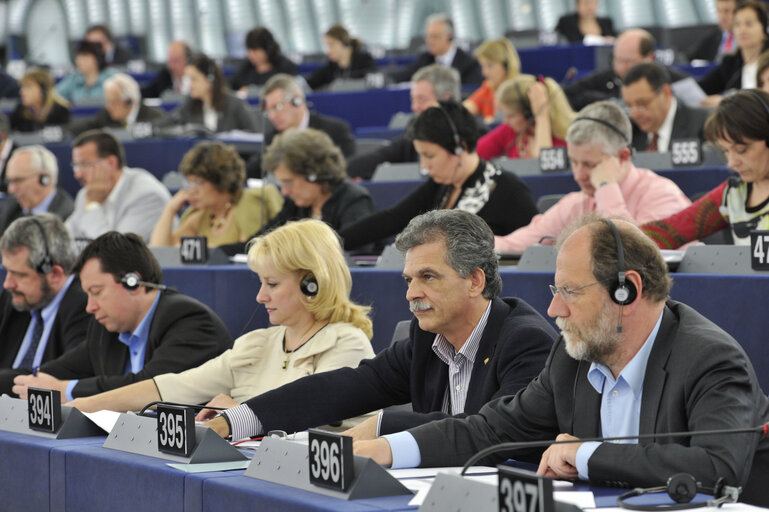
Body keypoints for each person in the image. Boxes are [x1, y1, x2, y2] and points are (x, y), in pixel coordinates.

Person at [354, 216, 769, 508]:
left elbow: (717, 469)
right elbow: (488, 430)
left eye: (569, 292)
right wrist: (383, 451)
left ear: (626, 291)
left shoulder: (709, 358)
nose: (554, 309)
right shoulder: (570, 358)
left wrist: (585, 453)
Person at [204, 209, 557, 441]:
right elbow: (350, 385)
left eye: (428, 277)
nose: (412, 294)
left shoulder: (525, 341)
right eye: (408, 280)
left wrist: (381, 428)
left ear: (475, 281)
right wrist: (237, 421)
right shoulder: (426, 338)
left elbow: (488, 430)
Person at [69, 220, 375, 422]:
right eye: (260, 283)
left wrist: (240, 415)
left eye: (272, 284)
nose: (260, 297)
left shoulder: (347, 343)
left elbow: (307, 414)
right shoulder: (257, 344)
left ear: (313, 283)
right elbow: (172, 387)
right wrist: (75, 409)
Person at [3, 231, 232, 399]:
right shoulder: (105, 329)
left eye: (97, 292)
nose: (89, 307)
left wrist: (66, 391)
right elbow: (52, 372)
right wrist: (31, 382)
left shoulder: (188, 320)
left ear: (133, 282)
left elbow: (149, 388)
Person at [340, 101, 538, 251]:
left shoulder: (509, 190)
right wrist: (330, 243)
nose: (424, 167)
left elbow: (535, 249)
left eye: (430, 156)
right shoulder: (441, 185)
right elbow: (391, 219)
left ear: (462, 147)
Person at [495, 101, 690, 252]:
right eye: (574, 162)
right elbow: (515, 244)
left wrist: (606, 186)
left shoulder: (663, 195)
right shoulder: (577, 203)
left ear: (623, 156)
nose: (579, 175)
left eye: (590, 165)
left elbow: (632, 253)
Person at [643, 89, 769, 248]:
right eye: (726, 151)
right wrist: (614, 238)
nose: (732, 162)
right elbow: (668, 232)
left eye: (741, 150)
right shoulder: (731, 195)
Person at [221, 128, 375, 255]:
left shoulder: (354, 200)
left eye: (288, 182)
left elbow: (352, 252)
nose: (285, 192)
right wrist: (213, 252)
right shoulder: (295, 206)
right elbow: (260, 242)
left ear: (314, 173)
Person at [150, 140, 283, 247]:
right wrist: (169, 210)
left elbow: (250, 251)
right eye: (189, 183)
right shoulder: (199, 215)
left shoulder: (248, 202)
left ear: (220, 180)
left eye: (198, 183)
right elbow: (161, 251)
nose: (191, 191)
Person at [0, 214, 88, 369]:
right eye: (7, 271)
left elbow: (63, 375)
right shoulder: (17, 298)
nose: (8, 284)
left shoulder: (84, 307)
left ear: (54, 274)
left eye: (20, 275)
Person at [347, 64, 461, 180]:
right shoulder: (416, 129)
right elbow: (382, 156)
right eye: (413, 99)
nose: (414, 107)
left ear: (447, 99)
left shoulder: (468, 136)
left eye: (422, 99)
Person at [65, 130, 171, 241]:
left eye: (84, 164)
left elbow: (117, 252)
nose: (77, 174)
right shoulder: (87, 193)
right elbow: (66, 237)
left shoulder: (147, 195)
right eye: (76, 165)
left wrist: (93, 206)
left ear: (111, 163)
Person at [247, 73, 355, 178]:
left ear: (297, 100)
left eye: (277, 107)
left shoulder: (335, 131)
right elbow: (252, 172)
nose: (271, 116)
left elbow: (345, 170)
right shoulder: (272, 139)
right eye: (268, 111)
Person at [564, 29, 687, 111]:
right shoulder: (608, 75)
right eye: (617, 60)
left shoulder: (672, 78)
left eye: (628, 61)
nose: (621, 67)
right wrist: (611, 103)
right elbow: (569, 94)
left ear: (649, 58)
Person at [476, 74, 575, 160]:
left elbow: (543, 166)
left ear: (529, 114)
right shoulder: (510, 130)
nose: (505, 121)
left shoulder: (568, 138)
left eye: (511, 116)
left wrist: (542, 118)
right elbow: (476, 153)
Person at [622, 62, 710, 152]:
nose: (634, 114)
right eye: (629, 106)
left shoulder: (705, 124)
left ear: (665, 93)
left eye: (642, 104)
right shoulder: (628, 133)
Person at [157, 53, 256, 133]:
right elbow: (167, 122)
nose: (190, 85)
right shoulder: (190, 104)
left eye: (194, 79)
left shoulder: (235, 105)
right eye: (188, 80)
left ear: (210, 79)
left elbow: (255, 137)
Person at [699, 1, 769, 107]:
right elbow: (703, 88)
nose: (742, 30)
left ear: (763, 29)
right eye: (737, 24)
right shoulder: (730, 63)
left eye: (749, 24)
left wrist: (727, 101)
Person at [390, 14, 483, 85]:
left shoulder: (469, 64)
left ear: (449, 36)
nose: (429, 41)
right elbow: (403, 76)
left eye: (434, 37)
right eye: (427, 36)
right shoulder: (425, 59)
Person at [0, 146, 74, 234]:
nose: (11, 189)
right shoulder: (8, 210)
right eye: (9, 181)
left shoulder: (68, 217)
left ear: (45, 179)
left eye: (18, 180)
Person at [69, 73, 164, 136]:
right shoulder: (105, 115)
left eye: (113, 102)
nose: (108, 107)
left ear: (129, 102)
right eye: (107, 101)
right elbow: (85, 127)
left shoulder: (154, 117)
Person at [463, 38, 520, 124]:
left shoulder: (519, 90)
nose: (484, 72)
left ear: (506, 65)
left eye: (490, 66)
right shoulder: (488, 88)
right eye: (483, 66)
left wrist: (494, 123)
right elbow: (465, 109)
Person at [306, 24, 378, 90]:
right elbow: (309, 83)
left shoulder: (365, 61)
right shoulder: (330, 68)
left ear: (344, 43)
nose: (328, 51)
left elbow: (376, 82)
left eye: (331, 45)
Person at [230, 27, 298, 92]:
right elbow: (231, 87)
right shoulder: (245, 68)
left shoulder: (285, 68)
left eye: (255, 50)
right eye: (249, 49)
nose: (250, 54)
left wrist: (252, 92)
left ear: (267, 49)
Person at [9, 68, 70, 132]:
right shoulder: (20, 109)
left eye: (28, 87)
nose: (22, 92)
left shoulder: (61, 112)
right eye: (22, 87)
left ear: (43, 91)